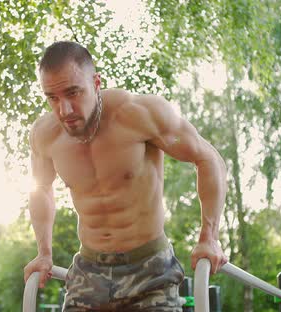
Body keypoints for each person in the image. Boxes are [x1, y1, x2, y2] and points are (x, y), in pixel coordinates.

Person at [23, 41, 228, 311]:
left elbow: (209, 158)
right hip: (88, 272)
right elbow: (41, 190)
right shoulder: (45, 135)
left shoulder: (139, 114)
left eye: (73, 92)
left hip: (150, 270)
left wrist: (209, 237)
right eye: (52, 97)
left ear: (96, 82)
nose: (65, 110)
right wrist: (44, 253)